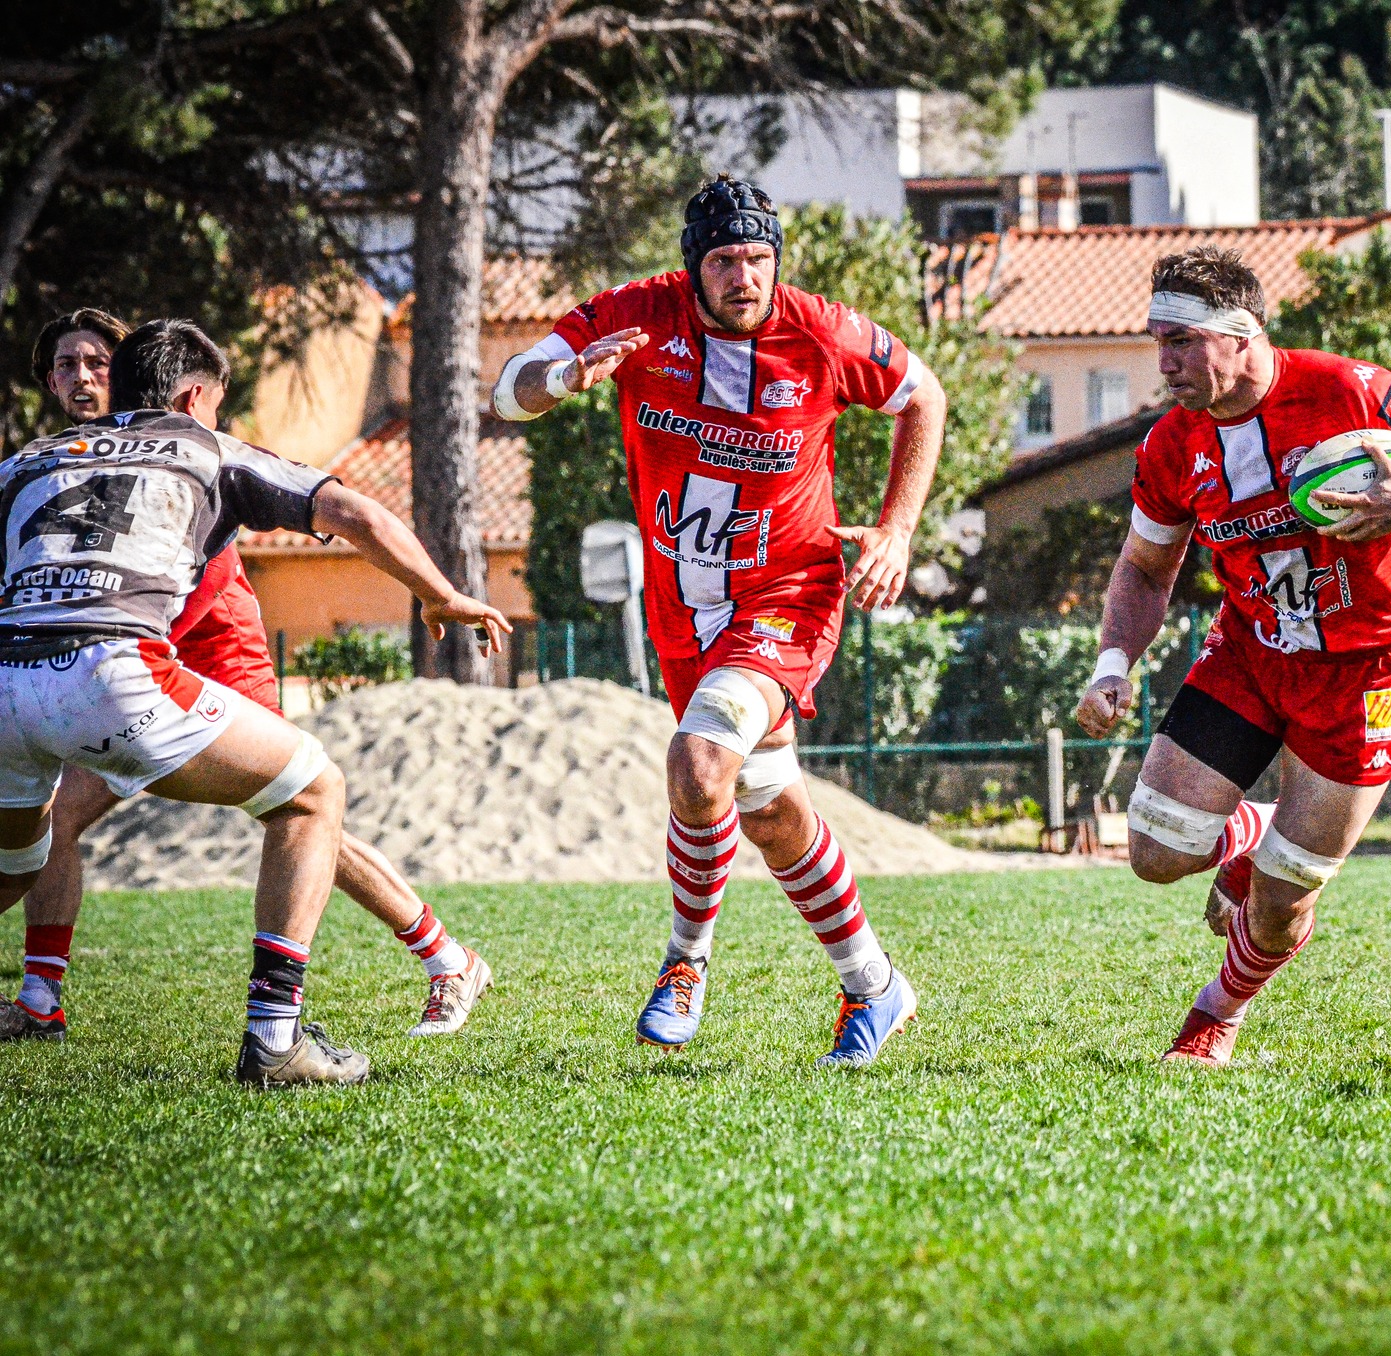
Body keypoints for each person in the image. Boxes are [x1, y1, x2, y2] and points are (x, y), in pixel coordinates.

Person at [492, 175, 946, 1066]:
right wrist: (563, 376)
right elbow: (509, 392)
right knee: (770, 813)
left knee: (700, 768)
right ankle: (875, 985)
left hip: (789, 595)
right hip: (683, 607)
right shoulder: (639, 314)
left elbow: (922, 396)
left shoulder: (820, 330)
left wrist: (897, 527)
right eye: (726, 260)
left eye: (759, 258)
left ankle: (684, 964)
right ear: (692, 265)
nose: (746, 277)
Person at [0, 319, 511, 1085]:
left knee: (35, 845)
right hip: (123, 668)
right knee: (308, 799)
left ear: (120, 380)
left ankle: (446, 955)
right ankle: (276, 1035)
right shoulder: (206, 449)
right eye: (65, 363)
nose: (78, 375)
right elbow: (358, 513)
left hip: (174, 661)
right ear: (197, 396)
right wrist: (441, 597)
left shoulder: (26, 461)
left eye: (92, 362)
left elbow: (187, 598)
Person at [1071, 247, 1391, 1066]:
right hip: (1251, 650)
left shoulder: (1349, 390)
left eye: (1181, 342)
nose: (1163, 362)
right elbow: (1143, 566)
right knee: (1155, 850)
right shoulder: (1173, 445)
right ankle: (1251, 831)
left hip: (1369, 665)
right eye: (1156, 342)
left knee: (1279, 901)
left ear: (1242, 337)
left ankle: (1217, 1015)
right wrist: (1111, 666)